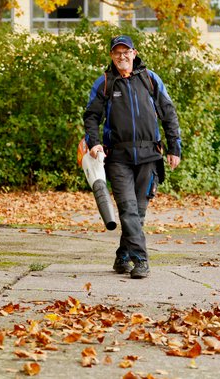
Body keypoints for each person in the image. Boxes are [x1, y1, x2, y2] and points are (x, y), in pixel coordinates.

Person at [83, 35, 181, 279]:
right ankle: (140, 259)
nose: (121, 56)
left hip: (150, 156)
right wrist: (94, 144)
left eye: (126, 51)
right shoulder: (105, 82)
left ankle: (122, 256)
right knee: (128, 210)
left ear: (134, 53)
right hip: (117, 158)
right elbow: (91, 117)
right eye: (117, 52)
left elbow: (168, 113)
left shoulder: (150, 79)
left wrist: (174, 147)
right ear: (111, 56)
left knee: (138, 212)